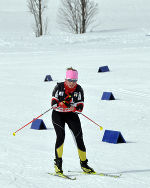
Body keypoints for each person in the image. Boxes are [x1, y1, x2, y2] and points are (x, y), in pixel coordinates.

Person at [51, 67, 95, 174]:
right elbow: (53, 104)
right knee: (61, 136)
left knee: (79, 137)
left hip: (71, 115)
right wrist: (60, 104)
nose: (72, 83)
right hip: (58, 115)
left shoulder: (79, 89)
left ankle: (84, 164)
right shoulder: (59, 87)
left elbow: (80, 107)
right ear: (66, 79)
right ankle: (58, 165)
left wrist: (74, 108)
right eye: (70, 80)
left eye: (74, 81)